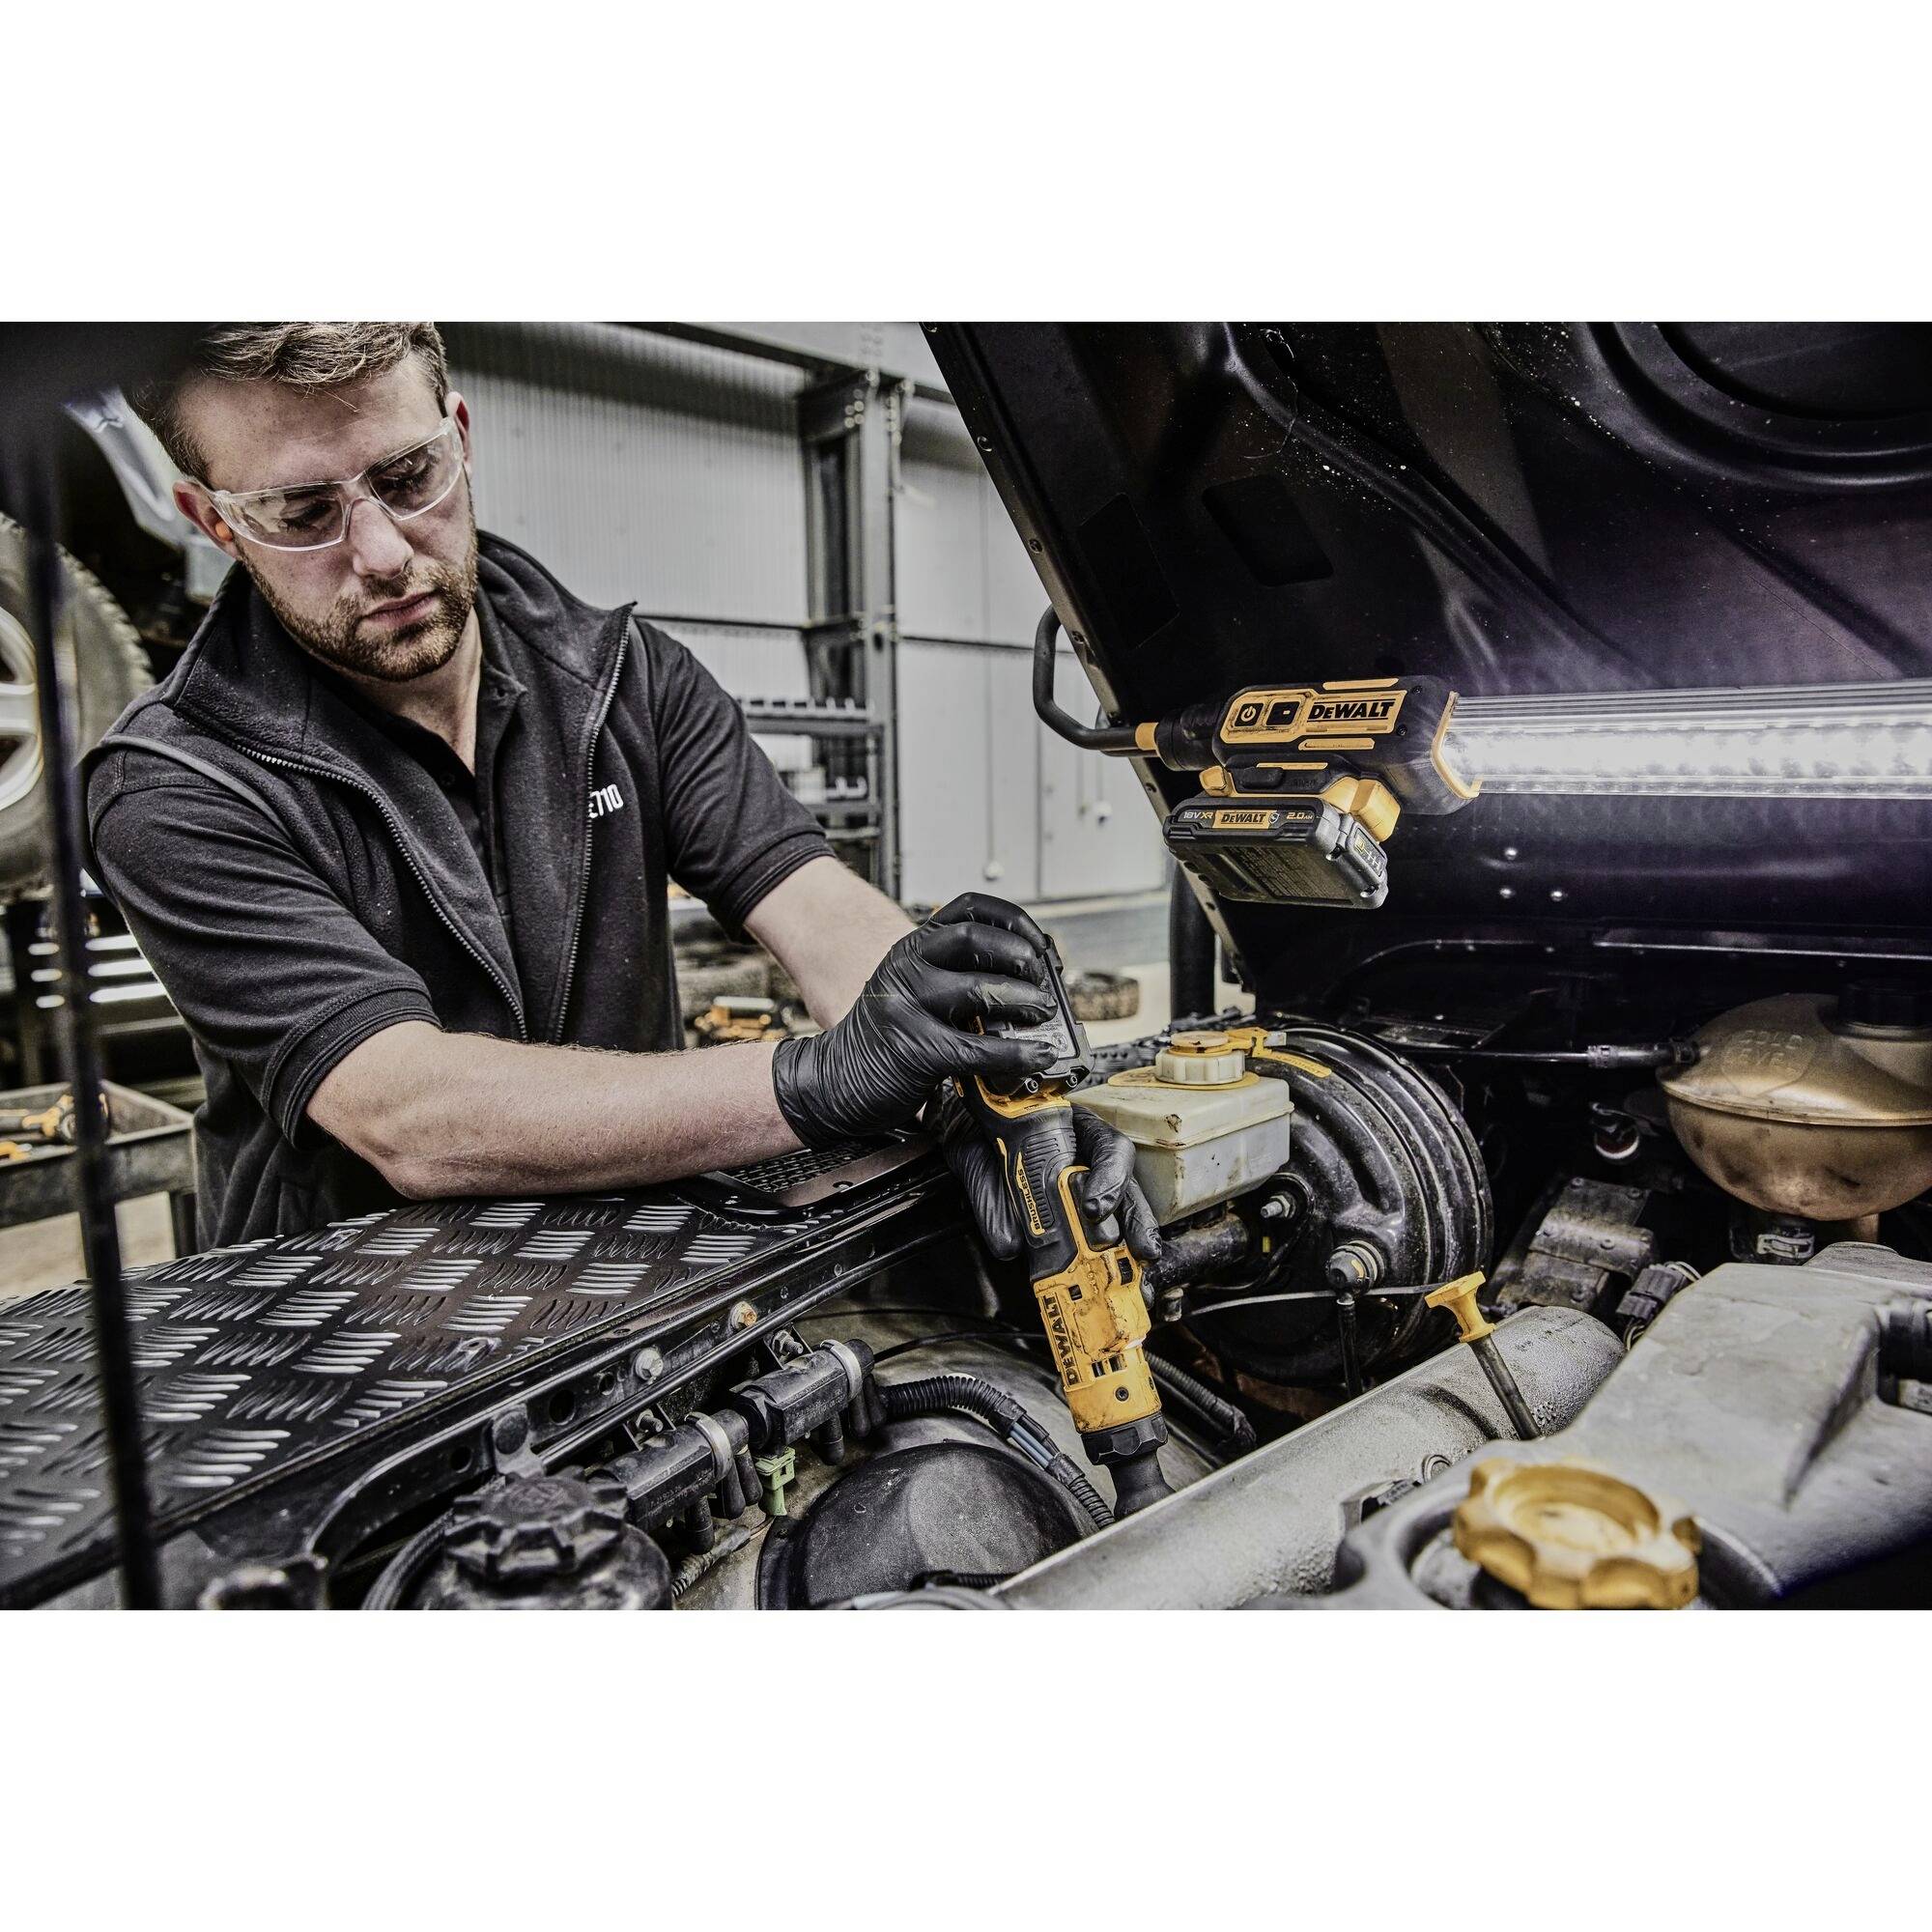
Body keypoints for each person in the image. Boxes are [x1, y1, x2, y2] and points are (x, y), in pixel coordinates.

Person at [88, 322, 1154, 1264]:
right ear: (212, 520)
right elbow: (405, 1110)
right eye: (301, 511)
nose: (379, 552)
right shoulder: (177, 784)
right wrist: (811, 1082)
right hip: (368, 1337)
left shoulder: (624, 680)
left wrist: (992, 1082)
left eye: (409, 477)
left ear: (459, 435)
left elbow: (818, 912)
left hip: (648, 1279)